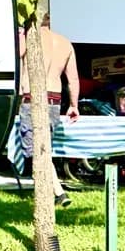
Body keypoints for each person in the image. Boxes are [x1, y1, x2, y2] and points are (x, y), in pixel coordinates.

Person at [18, 14, 80, 205]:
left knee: (37, 151)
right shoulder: (65, 43)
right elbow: (73, 80)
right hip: (54, 98)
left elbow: (16, 55)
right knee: (45, 148)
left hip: (32, 98)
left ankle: (57, 192)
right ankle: (55, 192)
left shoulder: (30, 37)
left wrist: (20, 34)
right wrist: (74, 105)